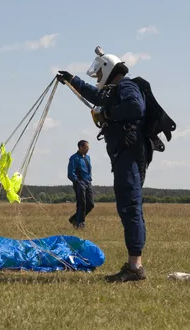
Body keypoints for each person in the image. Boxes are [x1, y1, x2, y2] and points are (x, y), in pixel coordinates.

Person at [56, 46, 148, 283]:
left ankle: (135, 267)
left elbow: (135, 107)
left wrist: (108, 115)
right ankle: (134, 265)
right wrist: (71, 80)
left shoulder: (127, 86)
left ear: (107, 69)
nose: (97, 79)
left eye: (99, 75)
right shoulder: (115, 91)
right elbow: (96, 96)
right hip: (123, 156)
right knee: (127, 207)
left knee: (130, 207)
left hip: (129, 155)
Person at [67, 140, 94, 229]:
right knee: (82, 203)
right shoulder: (74, 158)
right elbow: (70, 172)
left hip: (88, 182)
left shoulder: (88, 157)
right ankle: (80, 224)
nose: (88, 149)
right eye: (86, 147)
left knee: (90, 204)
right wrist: (77, 181)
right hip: (79, 183)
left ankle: (74, 219)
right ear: (81, 147)